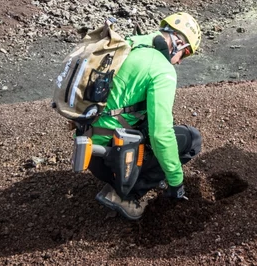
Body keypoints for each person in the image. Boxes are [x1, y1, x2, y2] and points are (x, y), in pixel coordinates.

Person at [87, 12, 203, 220]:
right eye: (184, 54)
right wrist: (176, 182)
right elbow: (161, 135)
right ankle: (125, 193)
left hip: (91, 149)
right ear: (178, 43)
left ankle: (129, 177)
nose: (179, 62)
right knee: (190, 139)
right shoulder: (162, 70)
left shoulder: (132, 44)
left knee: (153, 121)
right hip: (113, 159)